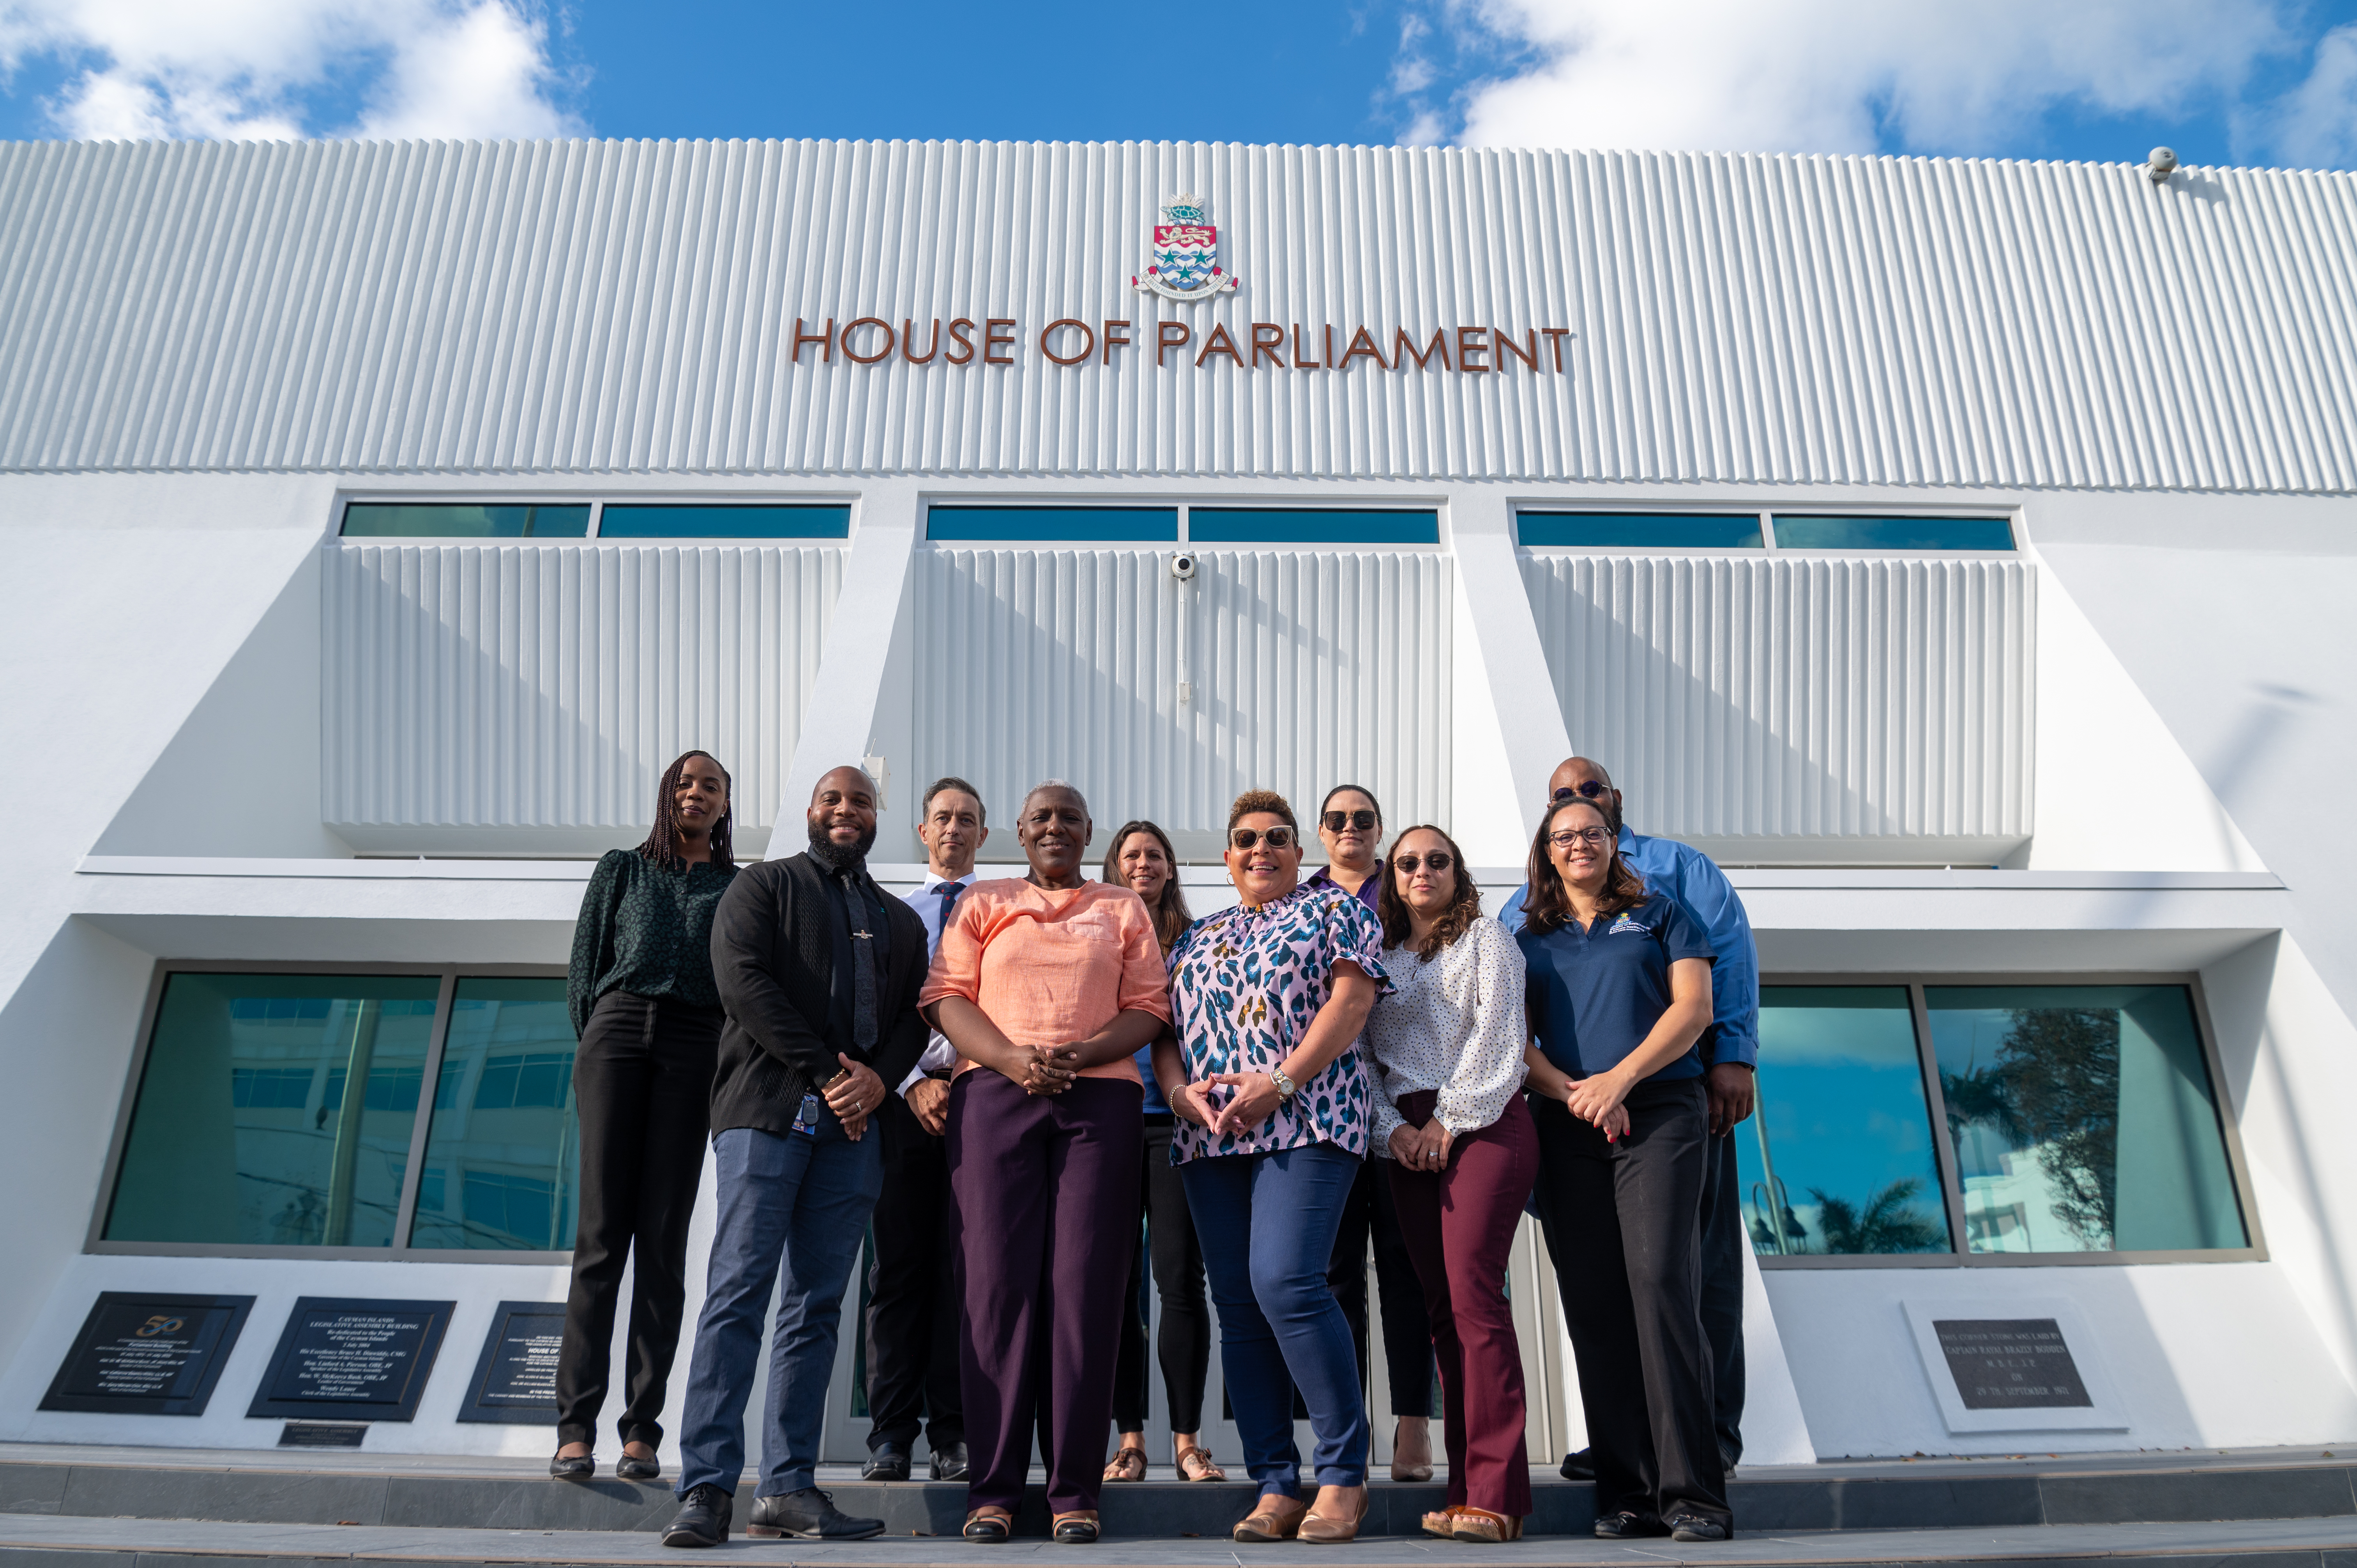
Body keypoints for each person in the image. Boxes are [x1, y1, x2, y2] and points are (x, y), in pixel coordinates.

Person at [661, 766, 930, 1549]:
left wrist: (879, 1080)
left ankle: (786, 1487)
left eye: (862, 801)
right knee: (739, 1290)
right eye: (834, 798)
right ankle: (707, 1485)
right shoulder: (761, 889)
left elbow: (916, 1015)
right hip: (766, 1116)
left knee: (815, 1307)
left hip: (852, 1136)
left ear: (879, 819)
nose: (847, 810)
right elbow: (743, 985)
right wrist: (828, 1071)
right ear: (810, 811)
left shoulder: (900, 922)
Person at [924, 782, 1172, 1545]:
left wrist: (1074, 1055)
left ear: (1088, 830)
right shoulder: (985, 900)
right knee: (995, 1290)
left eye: (1070, 817)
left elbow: (1150, 1007)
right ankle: (992, 1490)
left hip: (1099, 1104)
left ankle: (1074, 1492)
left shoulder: (1121, 907)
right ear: (1020, 834)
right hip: (995, 1096)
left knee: (1085, 1291)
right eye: (1042, 818)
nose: (1056, 826)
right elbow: (946, 996)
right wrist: (1012, 1057)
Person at [1500, 757, 1759, 1478]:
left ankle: (1707, 1443)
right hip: (1572, 1114)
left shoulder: (1676, 875)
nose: (1578, 816)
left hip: (1677, 1099)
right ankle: (1627, 1454)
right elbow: (1505, 1014)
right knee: (1599, 1287)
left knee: (1682, 1276)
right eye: (1562, 805)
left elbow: (1726, 960)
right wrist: (1567, 1092)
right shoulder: (1528, 912)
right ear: (1546, 830)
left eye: (1591, 799)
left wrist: (1732, 1056)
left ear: (1616, 804)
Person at [1156, 789, 1389, 1547]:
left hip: (1309, 1119)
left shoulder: (1336, 910)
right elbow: (1164, 1033)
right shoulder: (1194, 938)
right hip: (1212, 1136)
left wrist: (1279, 1082)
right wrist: (1177, 1094)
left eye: (1278, 837)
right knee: (1239, 1304)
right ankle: (1276, 1480)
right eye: (1246, 838)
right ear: (1227, 858)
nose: (1262, 848)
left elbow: (1351, 1003)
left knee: (1286, 1280)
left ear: (1298, 851)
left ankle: (1343, 1474)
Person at [553, 750, 739, 1484]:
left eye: (712, 787)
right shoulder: (621, 870)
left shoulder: (736, 887)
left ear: (726, 805)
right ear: (668, 795)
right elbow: (582, 970)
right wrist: (600, 1043)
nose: (697, 793)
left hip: (697, 1045)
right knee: (601, 1240)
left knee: (663, 1245)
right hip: (617, 1034)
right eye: (686, 783)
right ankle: (574, 1428)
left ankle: (640, 1430)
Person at [1366, 825, 1537, 1544]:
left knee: (1474, 1294)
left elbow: (1498, 1038)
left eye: (1437, 860)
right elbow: (1361, 1061)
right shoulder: (1376, 958)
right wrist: (1391, 1129)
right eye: (1408, 863)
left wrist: (1448, 1120)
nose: (1422, 871)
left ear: (1455, 871)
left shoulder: (1487, 941)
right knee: (1441, 1310)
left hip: (1485, 1119)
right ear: (1393, 878)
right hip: (1405, 1133)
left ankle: (1499, 1497)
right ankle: (1465, 1487)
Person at [1301, 784, 1437, 1482]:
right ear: (1320, 834)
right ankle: (1346, 1435)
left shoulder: (1406, 891)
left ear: (1379, 830)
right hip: (1324, 1109)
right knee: (1334, 1277)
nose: (1350, 828)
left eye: (1362, 819)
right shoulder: (1302, 905)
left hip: (1398, 1104)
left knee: (1408, 1270)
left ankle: (1413, 1427)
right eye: (1336, 820)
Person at [861, 777, 987, 1483]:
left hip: (978, 1099)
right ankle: (890, 1435)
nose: (954, 829)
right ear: (922, 830)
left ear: (984, 834)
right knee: (898, 1272)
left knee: (965, 1274)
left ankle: (954, 1433)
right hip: (904, 1102)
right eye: (942, 818)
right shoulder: (889, 912)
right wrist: (913, 1084)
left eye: (967, 819)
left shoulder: (1001, 911)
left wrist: (964, 1072)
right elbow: (875, 1012)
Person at [1100, 820, 1225, 1486]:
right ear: (1114, 869)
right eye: (1132, 856)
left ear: (1171, 867)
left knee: (1179, 1284)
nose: (1144, 864)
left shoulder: (1199, 940)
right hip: (1109, 1121)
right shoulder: (1094, 931)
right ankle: (1129, 1441)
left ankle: (1186, 1442)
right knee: (1116, 1287)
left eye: (1154, 855)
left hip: (1180, 1128)